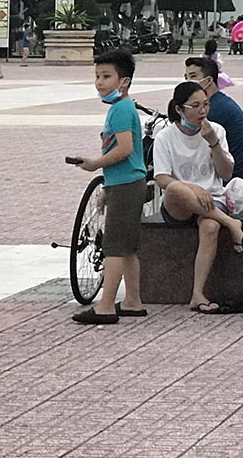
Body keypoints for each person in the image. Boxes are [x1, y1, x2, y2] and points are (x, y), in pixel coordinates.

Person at [153, 81, 243, 314]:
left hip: (212, 200)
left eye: (205, 104)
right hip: (180, 202)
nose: (202, 111)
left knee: (210, 227)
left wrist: (213, 143)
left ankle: (198, 293)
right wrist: (193, 189)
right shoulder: (165, 136)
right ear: (179, 109)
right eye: (195, 106)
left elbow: (226, 174)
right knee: (176, 189)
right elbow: (162, 179)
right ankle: (231, 223)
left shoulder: (217, 131)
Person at [70, 50, 148, 324]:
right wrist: (106, 189)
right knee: (127, 247)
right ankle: (133, 301)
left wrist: (94, 163)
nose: (100, 83)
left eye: (106, 76)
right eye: (97, 76)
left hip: (127, 183)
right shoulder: (123, 108)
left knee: (114, 247)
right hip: (125, 183)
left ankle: (105, 306)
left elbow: (124, 149)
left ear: (123, 81)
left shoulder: (121, 109)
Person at [184, 57, 243, 183]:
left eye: (193, 76)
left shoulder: (213, 110)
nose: (188, 82)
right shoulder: (219, 102)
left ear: (209, 80)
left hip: (228, 180)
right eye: (186, 77)